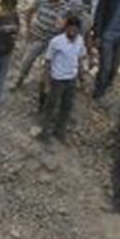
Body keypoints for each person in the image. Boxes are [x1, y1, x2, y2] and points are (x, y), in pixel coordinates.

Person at [36, 16, 86, 145]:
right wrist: (46, 82)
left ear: (78, 30)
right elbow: (48, 62)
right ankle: (44, 133)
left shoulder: (80, 40)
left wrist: (82, 78)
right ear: (66, 28)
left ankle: (59, 132)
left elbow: (79, 59)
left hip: (71, 79)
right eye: (70, 28)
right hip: (57, 79)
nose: (72, 31)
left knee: (66, 107)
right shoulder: (56, 42)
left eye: (75, 29)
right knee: (50, 107)